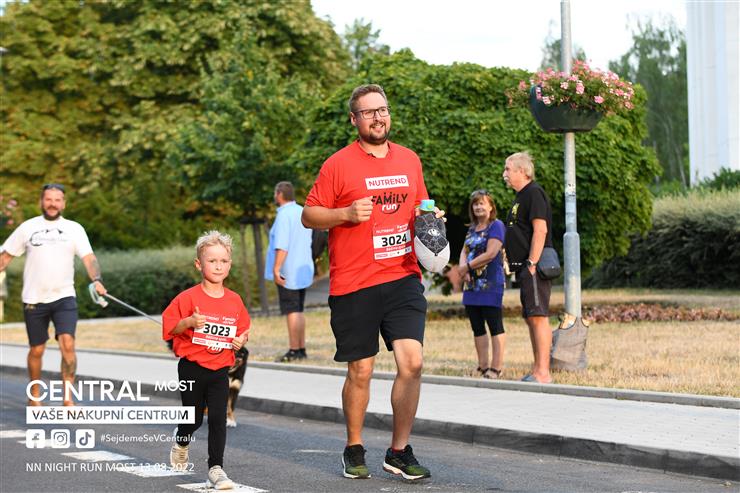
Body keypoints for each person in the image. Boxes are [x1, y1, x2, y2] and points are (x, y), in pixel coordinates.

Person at [302, 83, 443, 481]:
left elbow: (421, 207)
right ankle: (354, 446)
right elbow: (309, 215)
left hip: (402, 276)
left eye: (382, 110)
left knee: (412, 363)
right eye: (368, 112)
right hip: (355, 282)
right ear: (354, 120)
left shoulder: (409, 160)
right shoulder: (338, 165)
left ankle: (399, 451)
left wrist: (431, 221)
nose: (378, 118)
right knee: (361, 370)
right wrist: (344, 214)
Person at [0, 183, 107, 406]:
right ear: (41, 201)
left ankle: (68, 398)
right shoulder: (28, 228)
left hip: (64, 296)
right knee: (37, 349)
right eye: (48, 199)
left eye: (57, 200)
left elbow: (89, 258)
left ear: (63, 204)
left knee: (68, 344)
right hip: (34, 298)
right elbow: (5, 257)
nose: (52, 204)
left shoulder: (74, 229)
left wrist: (97, 280)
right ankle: (34, 394)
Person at [162, 231, 249, 489]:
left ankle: (216, 469)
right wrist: (189, 322)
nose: (218, 266)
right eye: (212, 261)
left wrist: (240, 340)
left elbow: (243, 329)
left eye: (223, 261)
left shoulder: (234, 300)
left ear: (229, 265)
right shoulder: (187, 298)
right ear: (199, 264)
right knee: (194, 418)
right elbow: (170, 328)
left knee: (218, 419)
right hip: (191, 368)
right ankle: (182, 440)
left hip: (220, 368)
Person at [502, 152, 554, 384]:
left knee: (538, 316)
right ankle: (537, 369)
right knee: (531, 317)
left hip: (534, 266)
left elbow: (540, 230)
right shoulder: (520, 196)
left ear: (522, 171)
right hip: (524, 266)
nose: (504, 174)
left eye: (507, 169)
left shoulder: (534, 193)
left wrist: (532, 262)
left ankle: (543, 373)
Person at [457, 190, 506, 379]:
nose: (478, 207)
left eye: (482, 203)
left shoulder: (496, 226)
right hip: (471, 286)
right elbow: (464, 251)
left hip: (490, 284)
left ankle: (496, 367)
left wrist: (467, 267)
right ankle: (483, 366)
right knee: (477, 326)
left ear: (491, 207)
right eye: (475, 204)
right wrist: (463, 269)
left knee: (495, 325)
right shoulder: (472, 228)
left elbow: (491, 253)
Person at [264, 181, 314, 362]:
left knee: (291, 310)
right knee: (298, 309)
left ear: (279, 194)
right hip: (302, 269)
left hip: (288, 270)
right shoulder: (302, 211)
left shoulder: (284, 216)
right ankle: (301, 348)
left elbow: (282, 245)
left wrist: (276, 268)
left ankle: (294, 349)